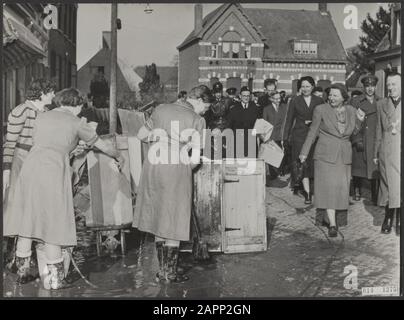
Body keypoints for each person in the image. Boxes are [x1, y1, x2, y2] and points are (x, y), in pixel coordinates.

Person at [3, 88, 124, 289]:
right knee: (53, 222)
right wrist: (119, 156)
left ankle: (22, 273)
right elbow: (102, 145)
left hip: (30, 167)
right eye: (80, 107)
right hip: (52, 171)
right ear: (76, 104)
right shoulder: (77, 122)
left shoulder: (42, 117)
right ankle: (55, 278)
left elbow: (45, 143)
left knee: (27, 218)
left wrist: (68, 148)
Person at [133, 85, 212, 283]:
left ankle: (162, 271)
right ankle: (170, 273)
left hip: (153, 167)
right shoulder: (198, 120)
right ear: (199, 100)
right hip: (176, 169)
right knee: (174, 217)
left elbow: (141, 135)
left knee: (160, 216)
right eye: (206, 107)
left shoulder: (160, 109)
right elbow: (195, 159)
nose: (205, 111)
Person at [299, 83, 365, 237]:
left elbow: (354, 132)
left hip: (344, 156)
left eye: (335, 95)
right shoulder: (321, 110)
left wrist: (360, 121)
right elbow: (312, 131)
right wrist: (304, 153)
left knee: (340, 190)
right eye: (330, 95)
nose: (331, 97)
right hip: (325, 156)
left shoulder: (351, 110)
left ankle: (335, 220)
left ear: (344, 97)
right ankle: (332, 224)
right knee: (328, 190)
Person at [283, 76, 324, 204]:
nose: (305, 89)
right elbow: (289, 120)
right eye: (303, 86)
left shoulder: (319, 100)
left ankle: (317, 190)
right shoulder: (295, 101)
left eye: (308, 86)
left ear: (312, 87)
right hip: (299, 136)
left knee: (314, 163)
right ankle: (307, 193)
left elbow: (324, 118)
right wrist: (285, 137)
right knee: (303, 163)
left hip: (316, 136)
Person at [374, 73, 401, 235]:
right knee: (388, 186)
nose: (391, 88)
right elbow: (378, 130)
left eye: (394, 84)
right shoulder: (381, 104)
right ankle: (388, 217)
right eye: (389, 85)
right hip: (387, 151)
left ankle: (400, 221)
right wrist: (376, 153)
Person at [350, 75, 381, 204]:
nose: (370, 89)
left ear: (375, 86)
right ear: (364, 87)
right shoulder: (356, 101)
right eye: (367, 86)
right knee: (358, 167)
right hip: (361, 138)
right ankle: (357, 190)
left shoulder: (380, 101)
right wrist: (356, 139)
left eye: (372, 86)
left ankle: (374, 194)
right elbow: (351, 122)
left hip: (374, 139)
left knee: (374, 168)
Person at [227, 86, 261, 158]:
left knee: (251, 163)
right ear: (240, 96)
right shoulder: (234, 109)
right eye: (244, 96)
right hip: (238, 140)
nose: (246, 98)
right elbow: (230, 126)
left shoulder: (255, 108)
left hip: (251, 140)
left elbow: (259, 124)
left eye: (248, 96)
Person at [262, 91, 288, 181]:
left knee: (282, 154)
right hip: (271, 136)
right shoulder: (267, 109)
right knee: (272, 155)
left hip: (282, 135)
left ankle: (280, 171)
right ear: (271, 99)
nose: (278, 100)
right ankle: (274, 175)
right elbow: (265, 123)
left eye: (279, 98)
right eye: (276, 99)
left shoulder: (284, 107)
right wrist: (266, 137)